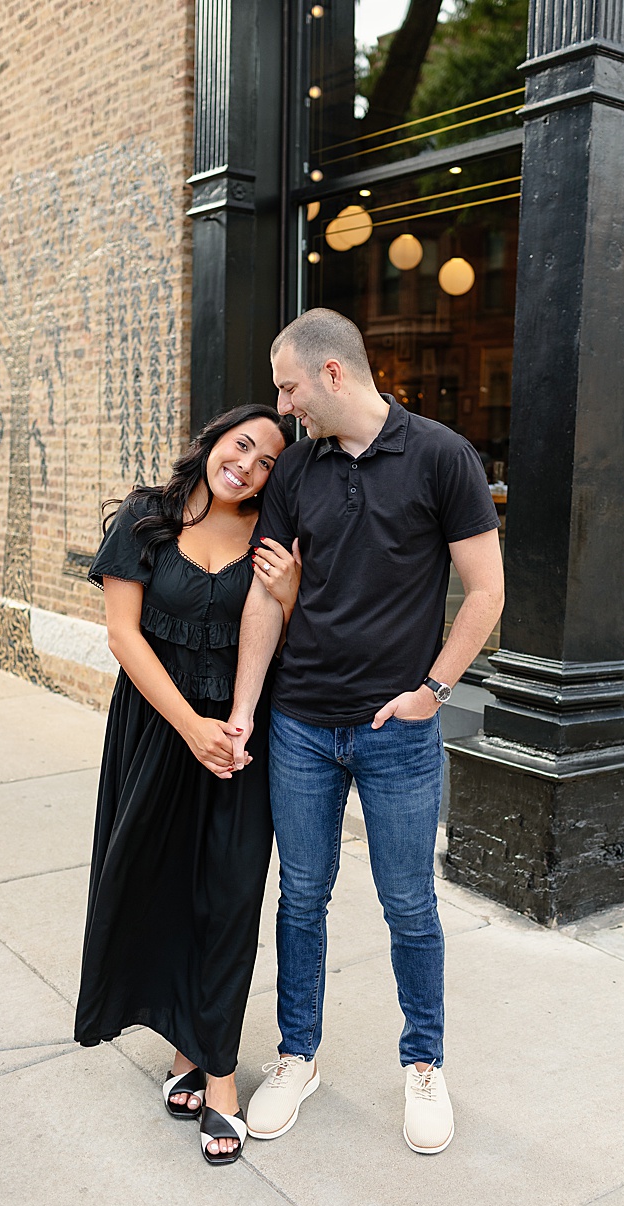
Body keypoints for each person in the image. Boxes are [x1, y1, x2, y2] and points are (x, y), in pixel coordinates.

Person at [227, 308, 504, 1156]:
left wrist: (434, 690)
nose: (282, 405)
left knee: (410, 905)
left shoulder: (441, 456)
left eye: (288, 386)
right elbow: (265, 598)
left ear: (332, 374)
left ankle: (423, 1063)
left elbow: (486, 591)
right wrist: (243, 710)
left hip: (398, 731)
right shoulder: (297, 471)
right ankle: (296, 1056)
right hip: (302, 724)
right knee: (301, 899)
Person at [74, 403, 299, 1166]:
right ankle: (186, 1048)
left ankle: (222, 1075)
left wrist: (292, 591)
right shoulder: (146, 518)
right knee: (165, 887)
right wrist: (188, 727)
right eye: (243, 446)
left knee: (231, 896)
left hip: (241, 738)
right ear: (214, 442)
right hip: (156, 732)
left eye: (269, 460)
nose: (250, 466)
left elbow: (280, 631)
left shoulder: (273, 534)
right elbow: (122, 636)